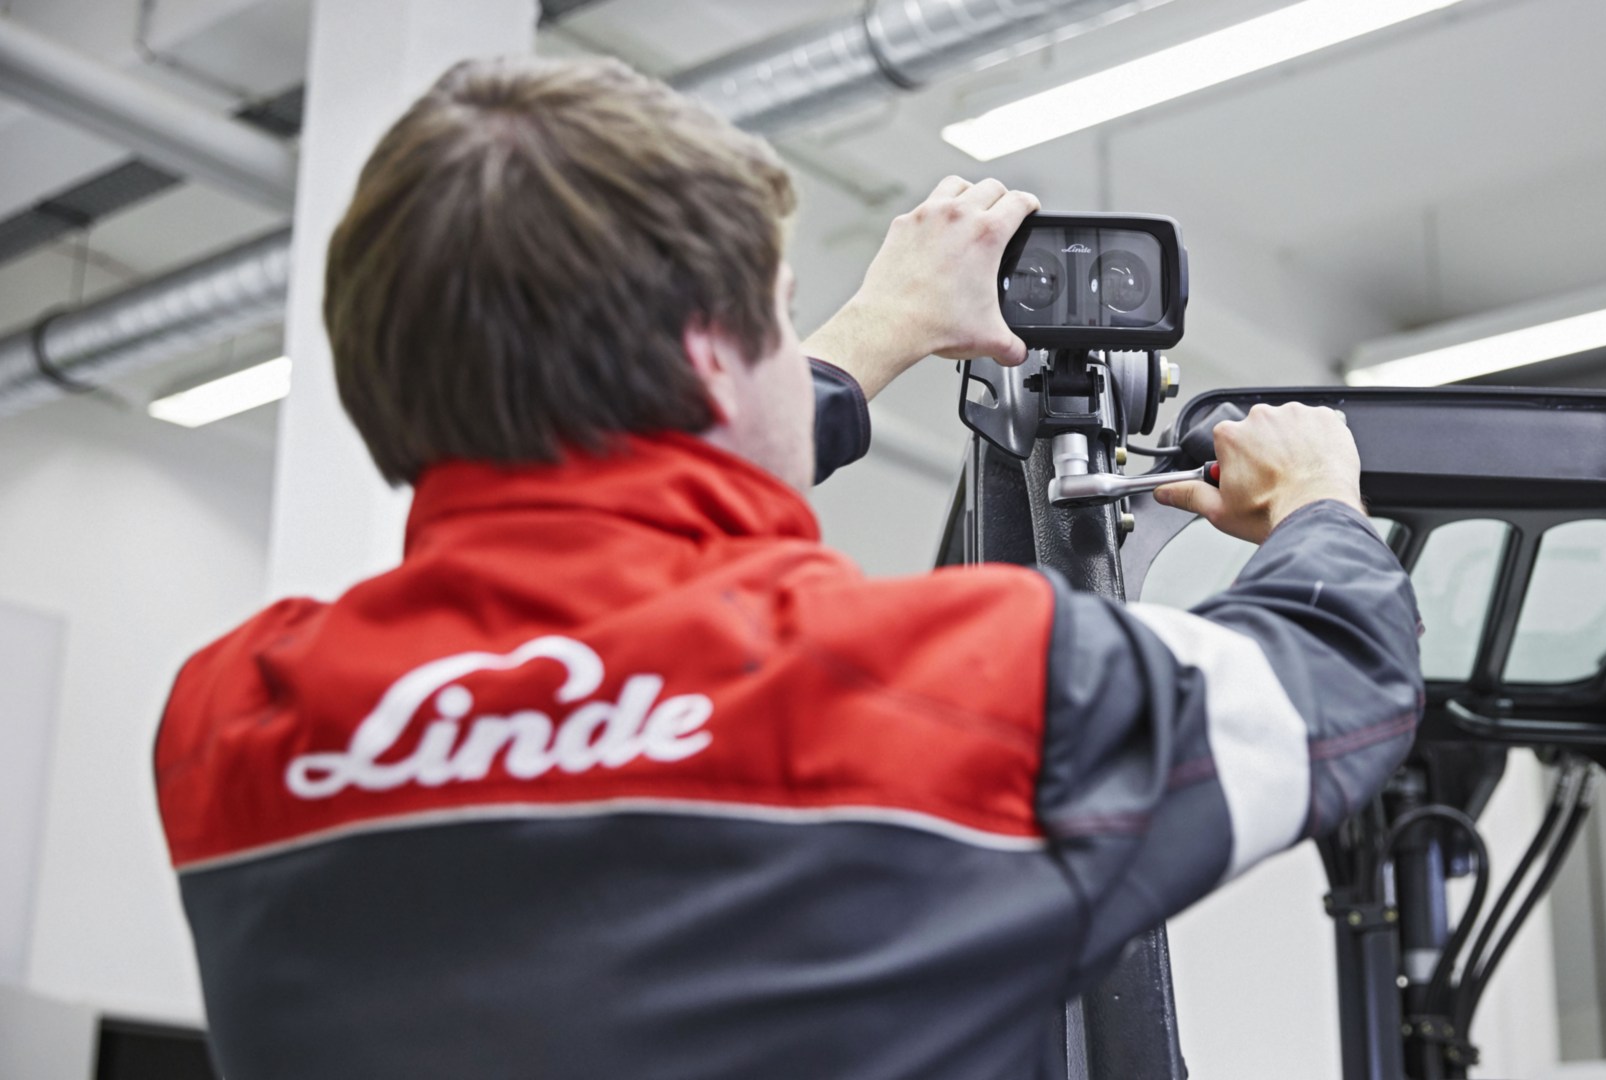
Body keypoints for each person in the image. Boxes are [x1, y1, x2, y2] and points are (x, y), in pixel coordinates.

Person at [154, 55, 1422, 1080]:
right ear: (713, 361)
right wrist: (1319, 498)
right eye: (779, 312)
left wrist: (871, 337)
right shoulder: (934, 689)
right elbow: (1338, 677)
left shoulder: (234, 728)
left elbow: (601, 523)